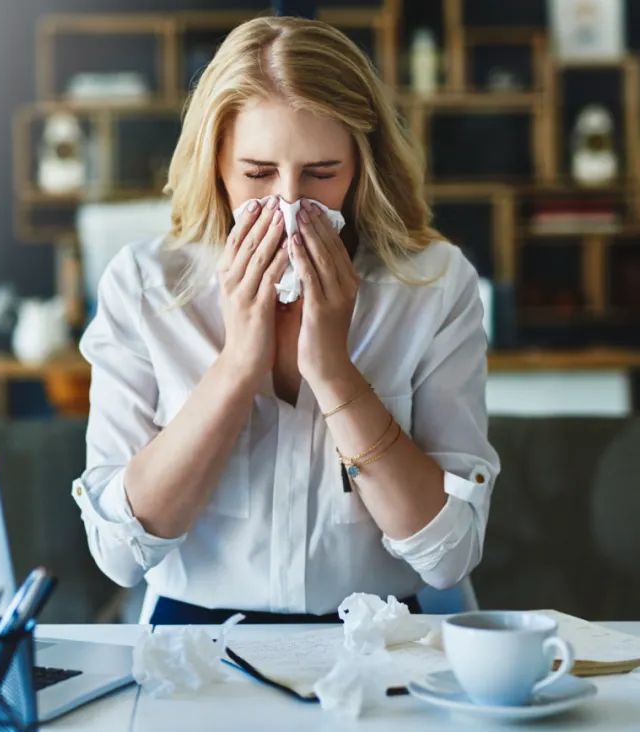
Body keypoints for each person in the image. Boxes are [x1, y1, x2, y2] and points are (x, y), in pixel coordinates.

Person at [70, 16, 499, 625]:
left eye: (322, 173)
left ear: (362, 167)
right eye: (258, 174)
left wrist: (333, 371)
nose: (292, 205)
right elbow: (119, 553)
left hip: (382, 637)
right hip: (194, 642)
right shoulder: (145, 286)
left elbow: (448, 556)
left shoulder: (431, 284)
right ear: (215, 162)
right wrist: (239, 364)